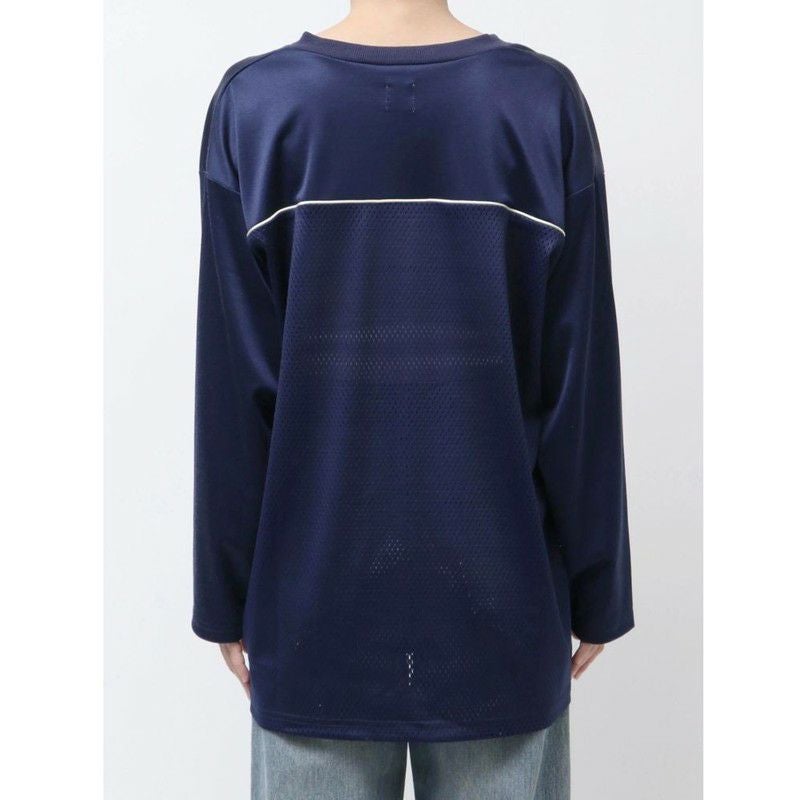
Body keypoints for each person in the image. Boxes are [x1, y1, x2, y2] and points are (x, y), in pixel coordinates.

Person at [192, 1, 634, 797]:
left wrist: (224, 598)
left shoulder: (259, 106)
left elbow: (236, 383)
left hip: (311, 607)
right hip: (502, 605)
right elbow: (578, 377)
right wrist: (599, 589)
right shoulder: (538, 104)